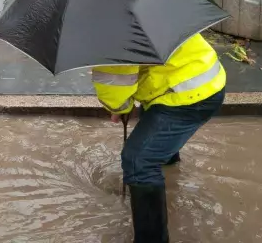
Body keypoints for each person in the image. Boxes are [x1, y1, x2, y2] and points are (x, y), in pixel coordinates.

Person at [92, 33, 226, 243]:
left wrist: (120, 107)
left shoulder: (111, 32)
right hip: (204, 79)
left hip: (187, 97)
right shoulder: (145, 8)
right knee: (155, 138)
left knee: (138, 160)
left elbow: (115, 85)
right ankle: (169, 169)